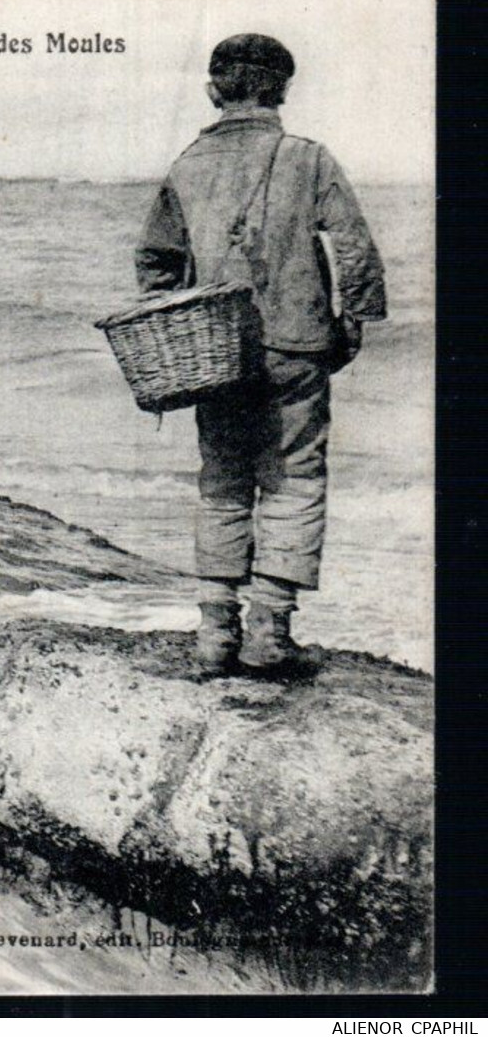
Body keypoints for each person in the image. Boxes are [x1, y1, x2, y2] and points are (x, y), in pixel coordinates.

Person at [136, 33, 386, 671]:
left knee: (221, 481)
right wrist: (352, 322)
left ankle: (216, 634)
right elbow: (354, 249)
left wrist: (175, 323)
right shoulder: (309, 158)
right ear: (281, 90)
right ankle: (270, 634)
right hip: (297, 343)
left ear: (215, 91)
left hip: (215, 351)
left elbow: (156, 262)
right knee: (294, 477)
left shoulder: (188, 163)